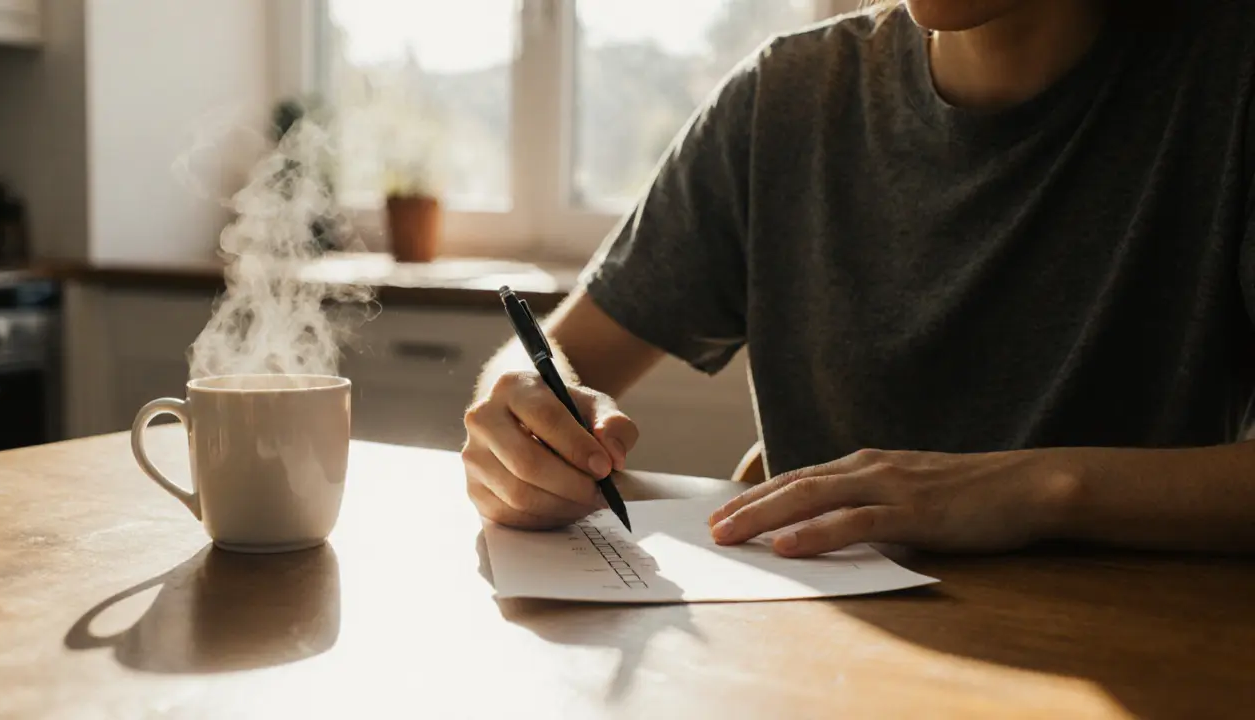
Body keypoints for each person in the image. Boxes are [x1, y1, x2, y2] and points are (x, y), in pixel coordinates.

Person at [461, 0, 1255, 557]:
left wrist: (1035, 489)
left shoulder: (1227, 79)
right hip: (819, 663)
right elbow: (551, 358)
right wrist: (517, 419)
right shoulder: (786, 97)